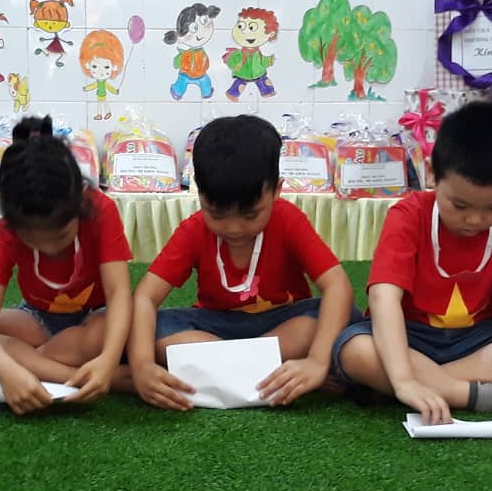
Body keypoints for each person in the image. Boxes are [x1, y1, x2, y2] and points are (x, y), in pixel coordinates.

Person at [332, 100, 492, 432]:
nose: (475, 219)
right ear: (431, 173)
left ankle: (411, 387)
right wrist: (402, 379)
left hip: (481, 340)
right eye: (459, 205)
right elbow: (384, 298)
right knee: (355, 349)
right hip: (411, 337)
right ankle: (474, 395)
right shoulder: (408, 215)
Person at [129, 114, 355, 410]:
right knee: (154, 327)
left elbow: (337, 285)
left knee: (340, 314)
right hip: (216, 326)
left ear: (277, 190)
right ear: (198, 191)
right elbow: (145, 297)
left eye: (250, 215)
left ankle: (225, 369)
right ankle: (270, 369)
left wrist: (317, 360)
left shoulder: (288, 220)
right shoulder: (194, 229)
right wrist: (142, 365)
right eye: (217, 214)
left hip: (282, 322)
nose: (234, 228)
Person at [0, 116, 133, 413]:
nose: (50, 249)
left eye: (61, 236)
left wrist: (108, 359)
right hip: (38, 321)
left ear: (78, 202)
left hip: (93, 319)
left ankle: (30, 361)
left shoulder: (100, 209)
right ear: (12, 222)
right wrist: (6, 371)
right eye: (32, 240)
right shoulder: (5, 232)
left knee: (115, 328)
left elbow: (119, 293)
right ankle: (74, 375)